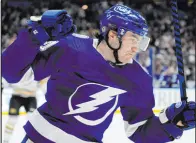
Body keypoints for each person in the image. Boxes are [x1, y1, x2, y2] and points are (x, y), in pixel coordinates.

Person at [2, 4, 195, 143]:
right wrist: (34, 34)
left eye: (141, 42)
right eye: (133, 39)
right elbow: (10, 72)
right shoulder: (71, 47)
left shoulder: (138, 79)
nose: (137, 48)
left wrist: (171, 122)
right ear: (112, 35)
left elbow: (139, 131)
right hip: (39, 138)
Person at [2, 68, 38, 143]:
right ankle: (5, 140)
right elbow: (5, 82)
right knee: (12, 120)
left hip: (31, 98)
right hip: (16, 97)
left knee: (32, 122)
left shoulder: (37, 66)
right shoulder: (16, 66)